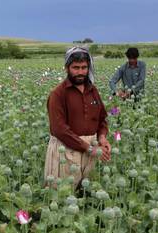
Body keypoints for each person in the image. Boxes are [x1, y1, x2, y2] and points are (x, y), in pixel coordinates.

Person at [44, 47, 111, 187]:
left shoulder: (93, 91)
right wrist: (89, 149)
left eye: (84, 67)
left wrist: (102, 138)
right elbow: (59, 129)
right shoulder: (58, 94)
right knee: (62, 194)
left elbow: (102, 118)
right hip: (65, 150)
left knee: (86, 194)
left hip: (91, 151)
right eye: (76, 67)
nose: (80, 72)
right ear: (66, 68)